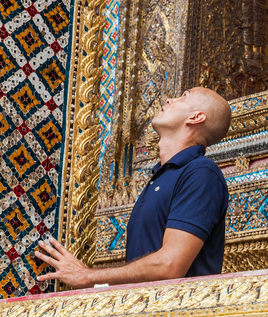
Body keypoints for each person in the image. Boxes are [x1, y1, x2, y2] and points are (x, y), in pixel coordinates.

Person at [35, 87, 232, 289]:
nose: (169, 100)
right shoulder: (162, 175)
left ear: (196, 117)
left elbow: (169, 266)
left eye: (183, 96)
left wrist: (87, 276)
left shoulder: (201, 173)